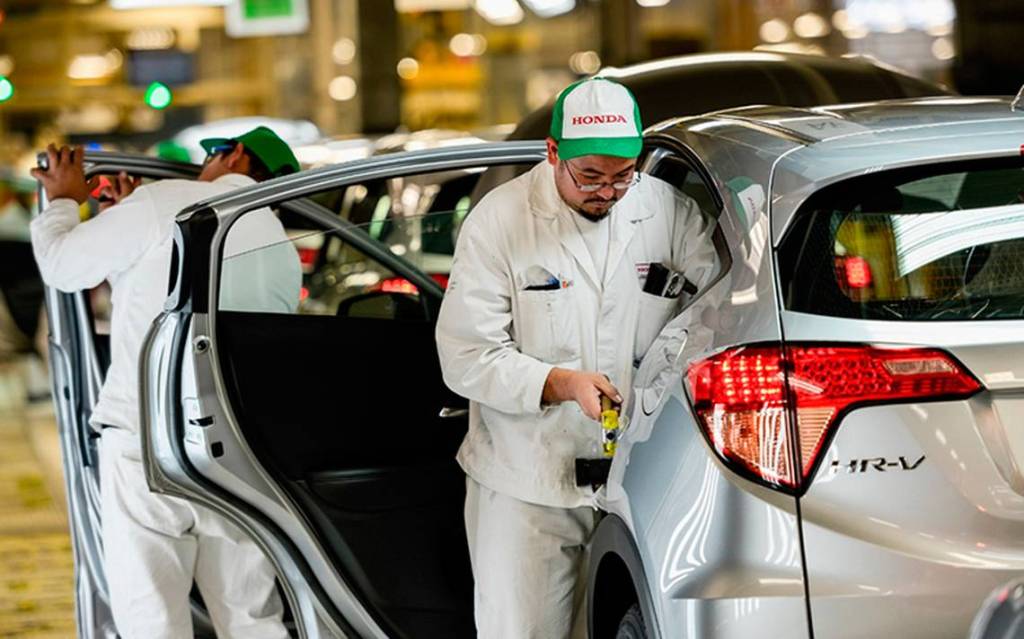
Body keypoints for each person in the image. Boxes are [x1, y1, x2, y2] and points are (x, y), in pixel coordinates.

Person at [436, 78, 715, 638]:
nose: (607, 192)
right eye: (589, 176)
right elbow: (466, 354)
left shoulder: (667, 212)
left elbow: (718, 308)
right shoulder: (500, 221)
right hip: (527, 482)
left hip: (635, 479)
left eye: (622, 175)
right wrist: (561, 383)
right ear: (553, 152)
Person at [30, 127, 302, 639]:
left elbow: (64, 267)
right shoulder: (282, 249)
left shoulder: (168, 201)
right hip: (238, 454)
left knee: (151, 617)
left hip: (147, 444)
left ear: (235, 155)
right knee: (251, 617)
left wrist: (63, 201)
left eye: (211, 154)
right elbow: (155, 289)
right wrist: (128, 217)